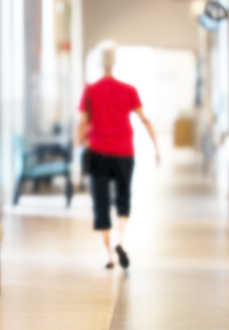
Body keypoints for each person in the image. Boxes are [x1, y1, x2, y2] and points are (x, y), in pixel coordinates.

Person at [77, 42, 159, 269]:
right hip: (124, 152)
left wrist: (77, 148)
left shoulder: (90, 90)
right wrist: (156, 148)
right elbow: (145, 120)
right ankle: (120, 241)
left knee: (101, 203)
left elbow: (82, 123)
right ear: (115, 61)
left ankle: (107, 255)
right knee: (124, 197)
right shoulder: (129, 90)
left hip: (98, 152)